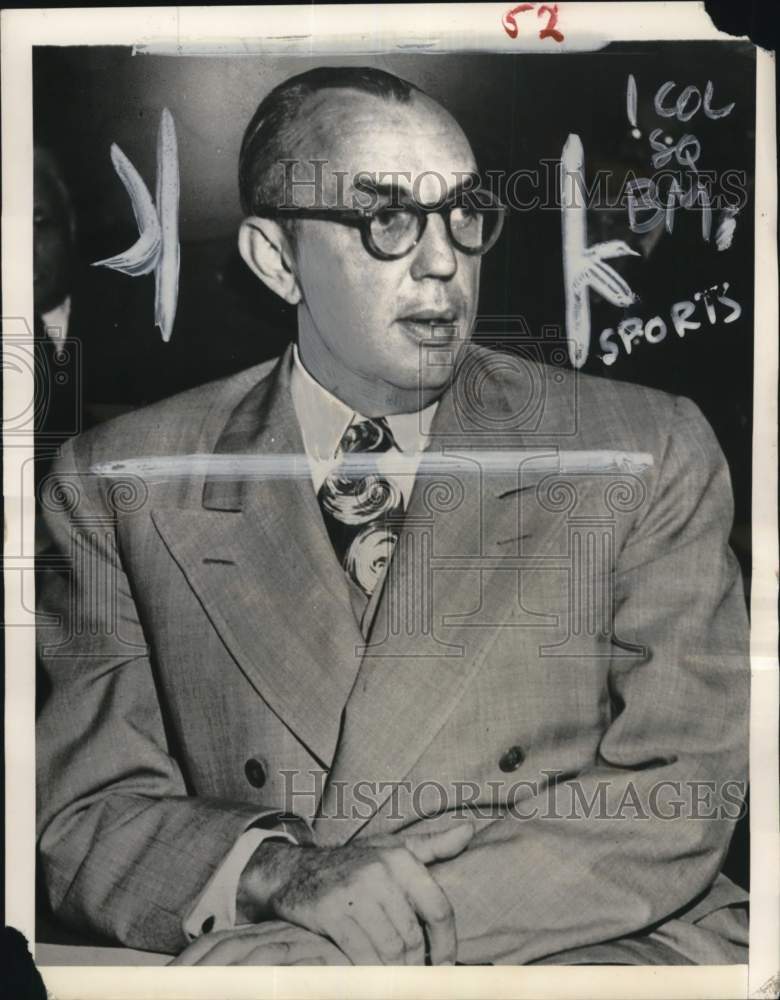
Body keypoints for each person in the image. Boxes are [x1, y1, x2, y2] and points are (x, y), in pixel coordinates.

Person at [36, 66, 749, 966]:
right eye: (386, 219)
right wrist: (279, 875)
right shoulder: (118, 481)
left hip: (589, 946)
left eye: (463, 212)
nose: (445, 259)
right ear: (276, 258)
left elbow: (681, 785)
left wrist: (370, 938)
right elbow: (85, 814)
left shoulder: (647, 448)